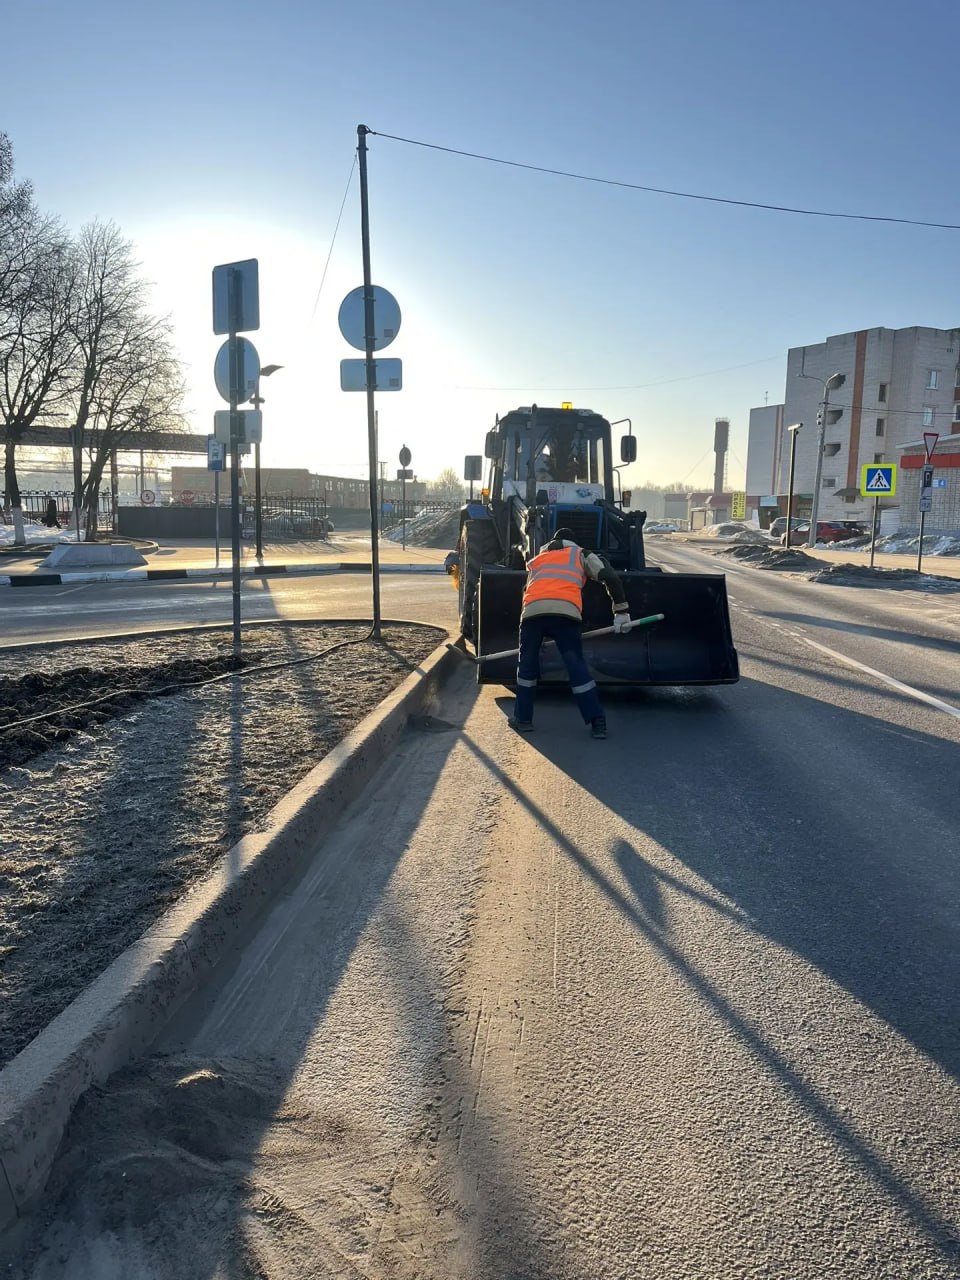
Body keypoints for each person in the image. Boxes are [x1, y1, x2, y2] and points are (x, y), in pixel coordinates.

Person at [510, 529, 631, 739]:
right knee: (576, 667)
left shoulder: (538, 559)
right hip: (566, 616)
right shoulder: (580, 554)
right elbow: (609, 576)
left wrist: (537, 631)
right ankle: (597, 722)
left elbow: (527, 590)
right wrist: (621, 611)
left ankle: (523, 719)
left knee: (527, 667)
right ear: (571, 542)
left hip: (531, 615)